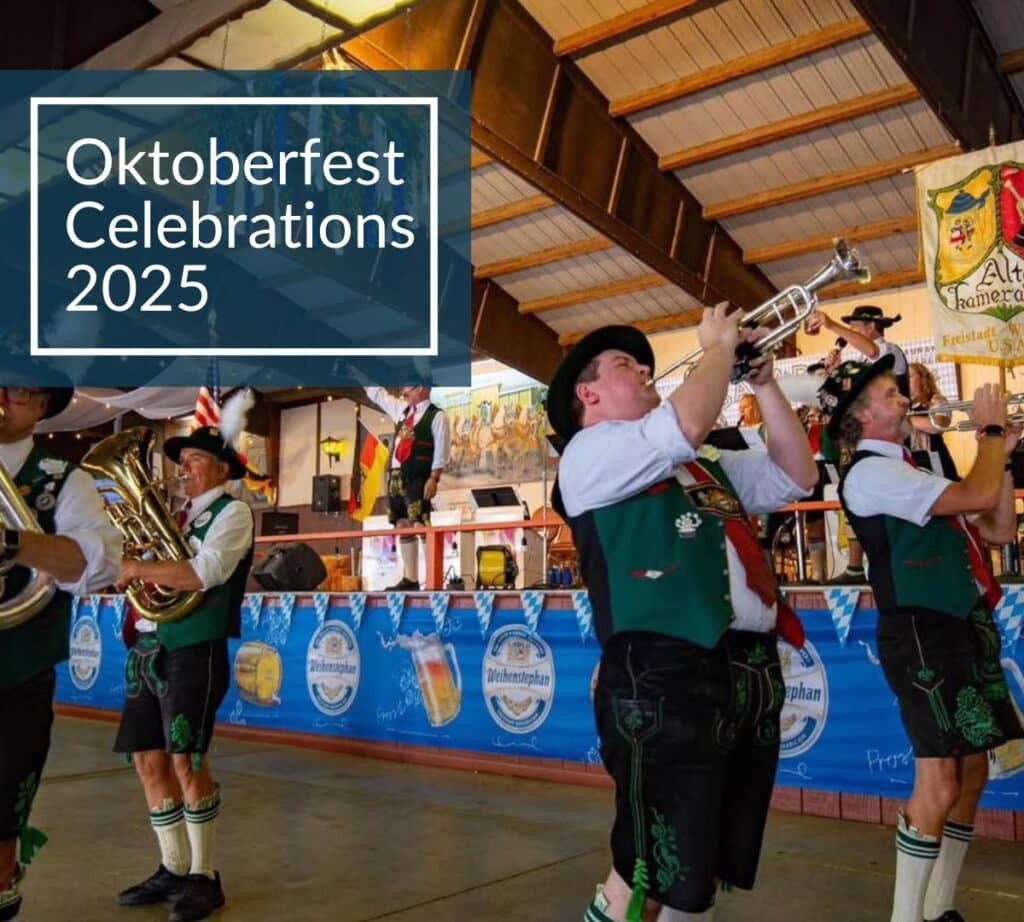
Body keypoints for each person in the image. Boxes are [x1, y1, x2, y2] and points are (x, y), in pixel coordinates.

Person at [547, 307, 817, 922]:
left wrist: (766, 383)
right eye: (625, 365)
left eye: (643, 362)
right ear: (587, 393)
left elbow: (796, 475)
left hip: (742, 669)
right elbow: (688, 419)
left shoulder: (695, 465)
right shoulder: (588, 453)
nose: (644, 369)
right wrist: (717, 348)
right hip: (663, 672)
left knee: (703, 871)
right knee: (646, 871)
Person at [824, 357, 1022, 922]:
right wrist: (985, 431)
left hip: (960, 625)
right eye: (890, 393)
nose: (904, 396)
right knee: (938, 779)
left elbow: (999, 528)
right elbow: (976, 499)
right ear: (861, 416)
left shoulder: (914, 466)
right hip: (920, 632)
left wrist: (1001, 457)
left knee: (974, 769)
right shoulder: (869, 473)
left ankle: (939, 907)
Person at [114, 426, 254, 922]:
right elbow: (147, 573)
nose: (184, 468)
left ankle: (204, 874)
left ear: (222, 468)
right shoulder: (175, 516)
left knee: (186, 760)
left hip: (195, 647)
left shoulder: (233, 513)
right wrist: (131, 564)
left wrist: (137, 568)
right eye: (183, 459)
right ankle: (172, 865)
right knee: (148, 761)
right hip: (148, 643)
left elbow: (204, 572)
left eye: (194, 459)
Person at [0, 372, 121, 920]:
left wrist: (14, 543)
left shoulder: (61, 480)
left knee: (1, 814)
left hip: (15, 672)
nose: (0, 399)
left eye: (15, 389)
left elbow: (93, 563)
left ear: (41, 404)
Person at [808, 306, 909, 584]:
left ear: (871, 326)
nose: (851, 333)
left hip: (891, 439)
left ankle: (892, 563)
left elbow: (875, 353)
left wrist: (831, 325)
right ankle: (859, 565)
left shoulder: (890, 351)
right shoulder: (863, 365)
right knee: (858, 498)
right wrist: (830, 374)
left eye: (855, 327)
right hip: (868, 437)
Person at [362, 385, 450, 590]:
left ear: (423, 389)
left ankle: (433, 579)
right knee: (402, 524)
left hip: (418, 477)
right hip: (395, 475)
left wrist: (434, 478)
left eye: (409, 387)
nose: (404, 390)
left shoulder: (437, 416)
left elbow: (442, 449)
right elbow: (379, 395)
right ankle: (410, 579)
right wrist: (360, 372)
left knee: (420, 523)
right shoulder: (402, 410)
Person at [908, 363, 959, 480]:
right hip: (909, 463)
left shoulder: (936, 400)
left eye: (910, 376)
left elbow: (938, 425)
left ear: (922, 379)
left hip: (933, 461)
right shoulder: (903, 404)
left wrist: (906, 419)